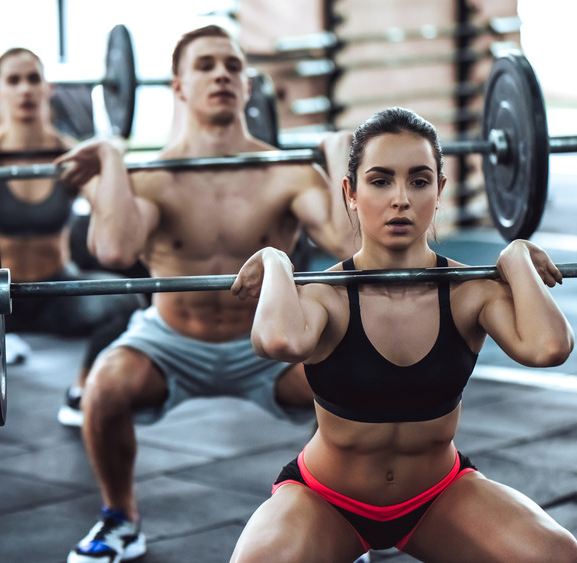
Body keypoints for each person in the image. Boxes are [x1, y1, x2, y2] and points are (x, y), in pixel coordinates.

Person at [227, 107, 577, 562]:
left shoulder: (467, 291)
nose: (401, 198)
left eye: (418, 181)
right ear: (350, 192)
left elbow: (549, 347)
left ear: (439, 191)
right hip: (326, 500)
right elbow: (278, 342)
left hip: (437, 495)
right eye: (380, 181)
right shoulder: (327, 296)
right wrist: (277, 261)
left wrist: (515, 258)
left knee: (558, 557)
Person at [53, 25, 358, 563]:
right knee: (104, 389)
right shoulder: (151, 176)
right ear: (178, 87)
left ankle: (341, 518)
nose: (222, 74)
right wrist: (114, 159)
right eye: (206, 66)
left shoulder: (285, 170)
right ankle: (120, 519)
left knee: (355, 386)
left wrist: (339, 160)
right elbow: (116, 250)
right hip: (171, 339)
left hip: (267, 345)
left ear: (247, 85)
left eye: (233, 66)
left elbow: (347, 244)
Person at [0, 48, 144, 446]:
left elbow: (114, 226)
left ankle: (81, 392)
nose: (25, 89)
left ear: (48, 88)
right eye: (14, 80)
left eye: (33, 79)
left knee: (123, 302)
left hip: (54, 290)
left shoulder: (70, 155)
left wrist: (110, 161)